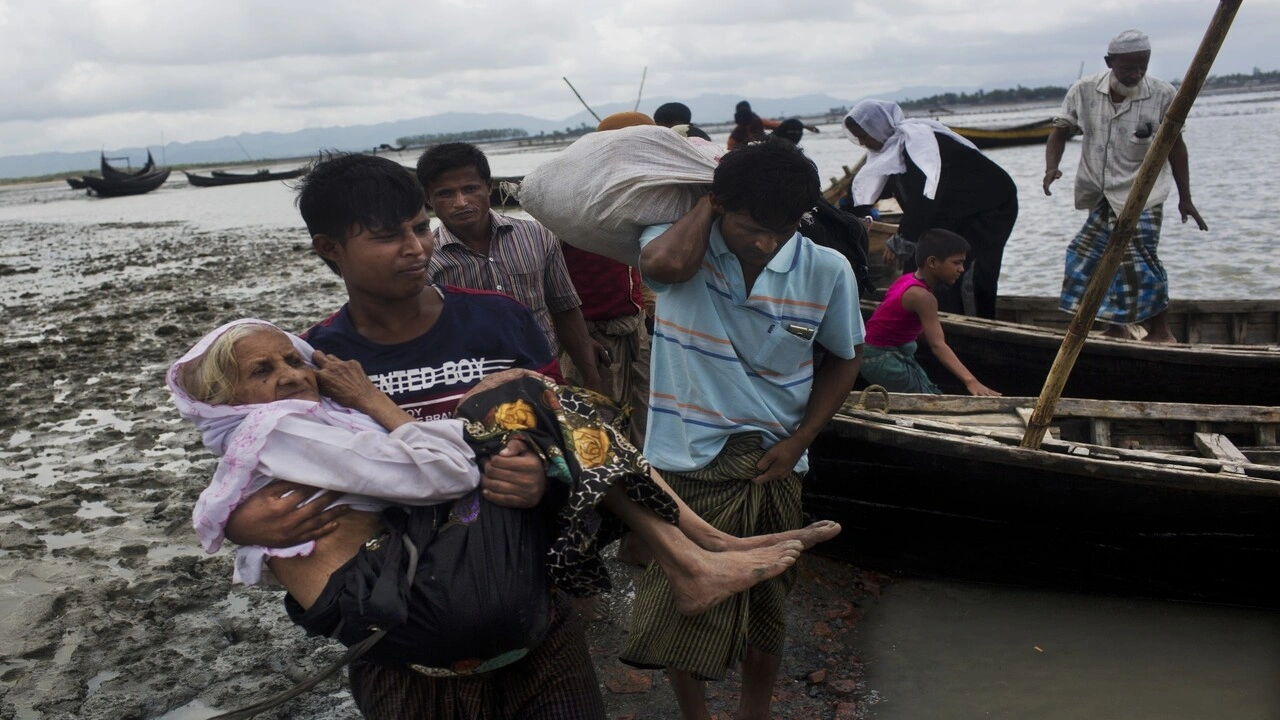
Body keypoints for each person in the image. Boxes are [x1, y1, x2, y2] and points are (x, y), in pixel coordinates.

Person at [218, 153, 839, 718]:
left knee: (544, 400)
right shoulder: (316, 362)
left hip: (533, 611)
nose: (415, 248)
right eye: (388, 237)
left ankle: (700, 549)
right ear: (330, 249)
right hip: (411, 636)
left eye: (420, 227)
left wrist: (541, 475)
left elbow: (566, 437)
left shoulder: (499, 320)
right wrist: (243, 524)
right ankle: (698, 548)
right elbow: (272, 465)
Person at [168, 320, 827, 681]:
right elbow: (440, 473)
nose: (291, 375)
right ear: (221, 398)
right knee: (523, 396)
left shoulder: (271, 438)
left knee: (533, 407)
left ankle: (699, 551)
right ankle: (697, 549)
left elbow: (413, 463)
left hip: (403, 600)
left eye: (293, 360)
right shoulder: (279, 429)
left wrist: (498, 431)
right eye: (263, 371)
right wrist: (379, 401)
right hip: (413, 604)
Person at [620, 137, 864, 720]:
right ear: (720, 204)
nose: (764, 243)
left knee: (767, 601)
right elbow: (662, 269)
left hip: (773, 461)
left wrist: (801, 440)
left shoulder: (826, 269)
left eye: (782, 229)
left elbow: (846, 357)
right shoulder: (679, 245)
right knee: (683, 600)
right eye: (751, 227)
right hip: (683, 458)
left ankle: (755, 712)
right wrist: (711, 203)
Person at [1044, 29, 1207, 343]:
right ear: (1109, 63)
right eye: (1128, 68)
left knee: (1141, 260)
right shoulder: (1084, 90)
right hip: (1101, 192)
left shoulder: (1162, 94)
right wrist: (1051, 168)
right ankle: (1115, 325)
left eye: (1142, 67)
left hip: (1144, 194)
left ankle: (1161, 332)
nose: (1136, 74)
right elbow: (1060, 131)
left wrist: (1185, 198)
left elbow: (1176, 146)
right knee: (1090, 256)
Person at [416, 142, 607, 395]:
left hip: (544, 376)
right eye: (445, 194)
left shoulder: (537, 236)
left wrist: (592, 379)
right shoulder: (425, 260)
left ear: (489, 186)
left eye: (470, 189)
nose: (460, 202)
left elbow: (565, 309)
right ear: (428, 198)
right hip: (473, 390)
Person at [844, 99, 1018, 319]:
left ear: (878, 128)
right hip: (950, 209)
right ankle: (930, 318)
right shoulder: (891, 148)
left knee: (966, 268)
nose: (862, 143)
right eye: (858, 137)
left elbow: (924, 200)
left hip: (989, 208)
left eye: (864, 136)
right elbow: (879, 184)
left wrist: (900, 241)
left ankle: (976, 324)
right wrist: (847, 208)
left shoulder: (920, 144)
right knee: (926, 264)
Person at [860, 229, 1000, 395]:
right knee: (928, 399)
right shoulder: (923, 297)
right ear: (932, 262)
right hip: (881, 356)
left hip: (877, 351)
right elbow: (937, 345)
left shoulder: (907, 279)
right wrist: (972, 382)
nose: (962, 269)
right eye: (957, 263)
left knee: (931, 392)